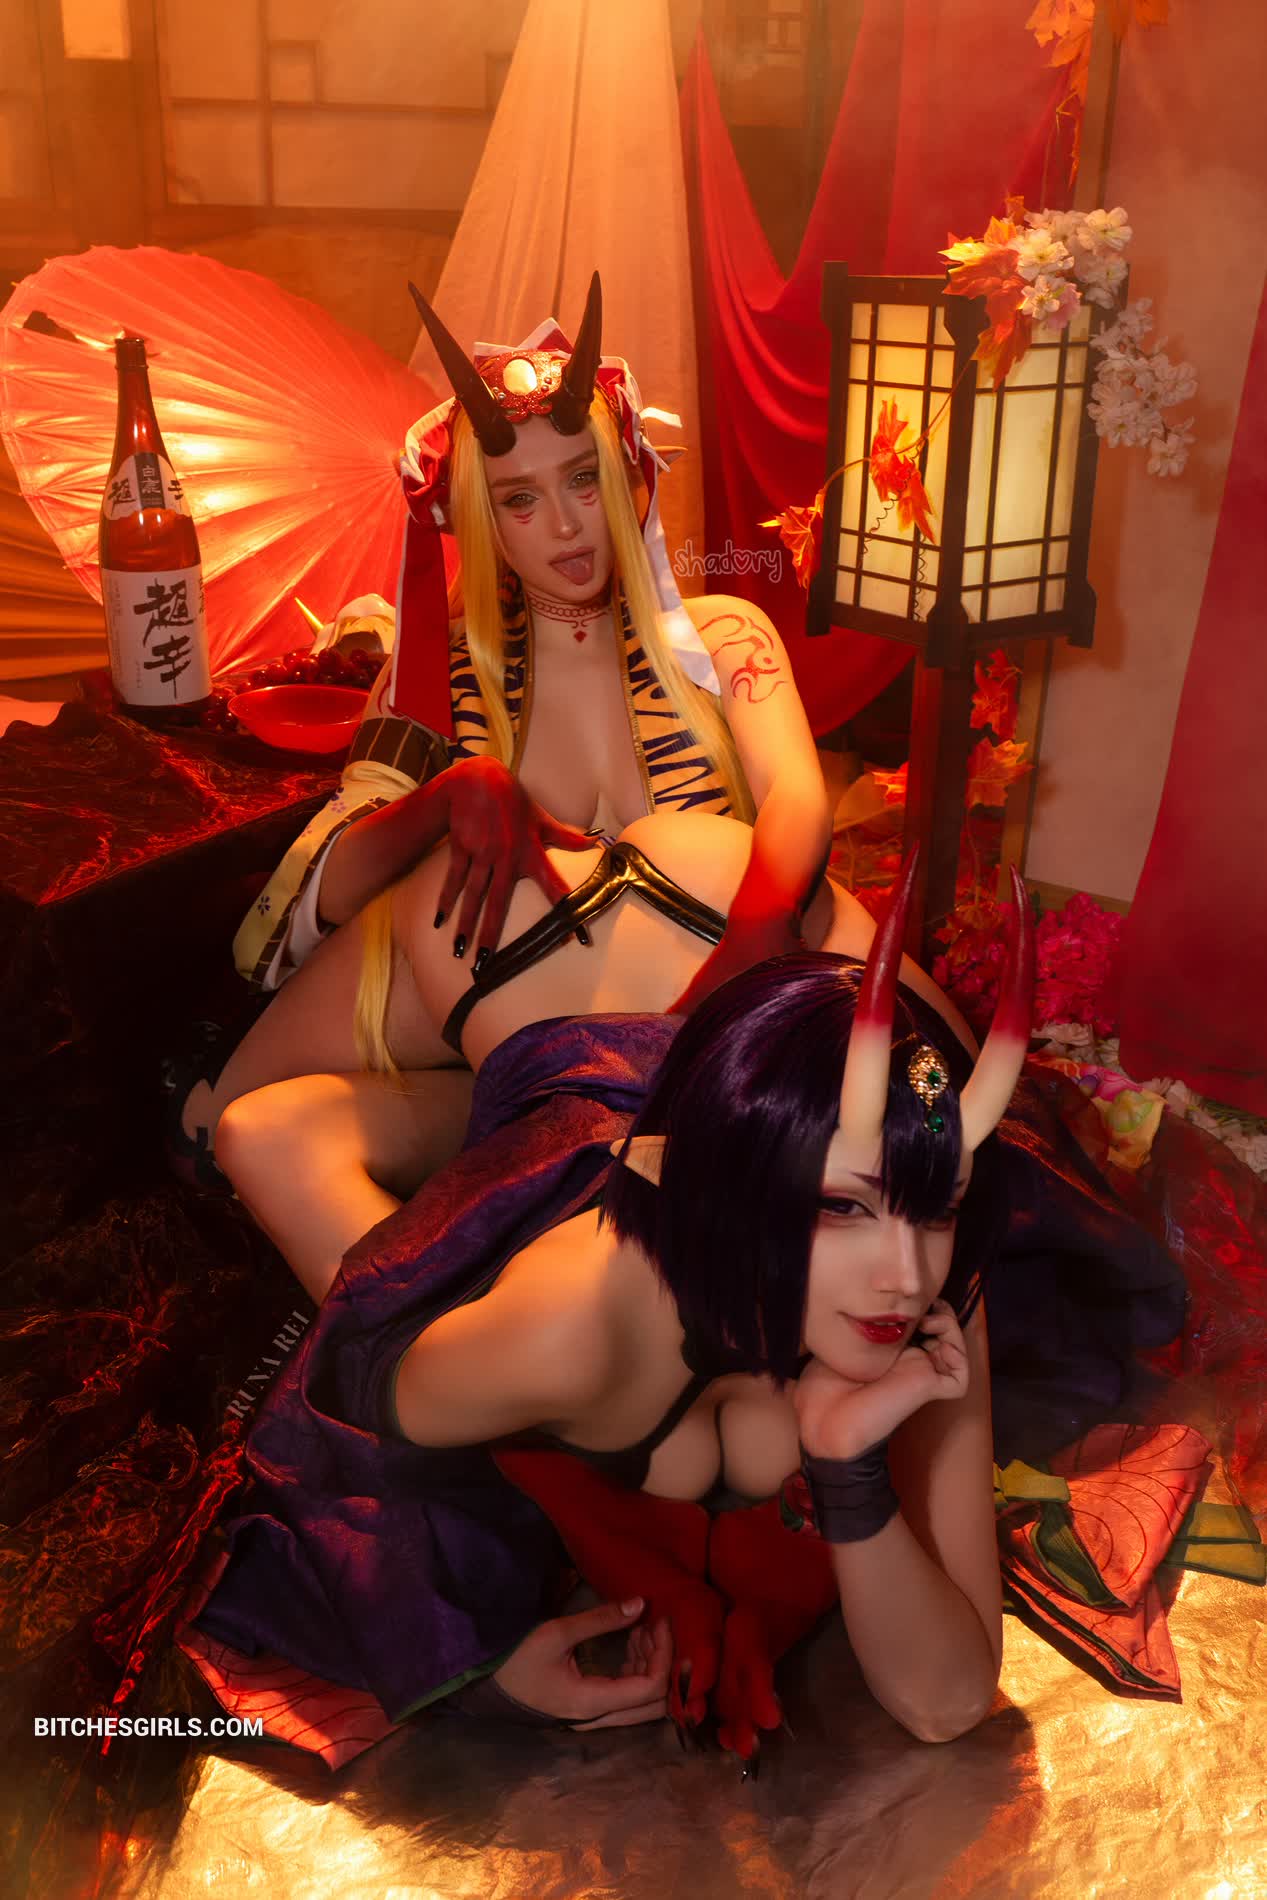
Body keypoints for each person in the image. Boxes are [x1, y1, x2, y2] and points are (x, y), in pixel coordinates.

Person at [183, 857, 1187, 1763]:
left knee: (900, 1116)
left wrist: (848, 1474)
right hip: (577, 1012)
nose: (903, 1276)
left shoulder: (922, 1276)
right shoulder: (567, 1325)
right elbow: (342, 1430)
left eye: (939, 1209)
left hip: (788, 1038)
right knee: (256, 1131)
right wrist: (478, 1662)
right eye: (842, 1209)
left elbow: (948, 1701)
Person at [173, 273, 831, 1185]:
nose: (563, 524)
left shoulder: (720, 637)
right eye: (519, 499)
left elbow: (797, 794)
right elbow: (321, 892)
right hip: (498, 1019)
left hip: (693, 987)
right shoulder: (433, 676)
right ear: (478, 520)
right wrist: (449, 795)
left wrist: (750, 942)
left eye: (582, 480)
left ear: (626, 479)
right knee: (212, 1129)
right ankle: (528, 1133)